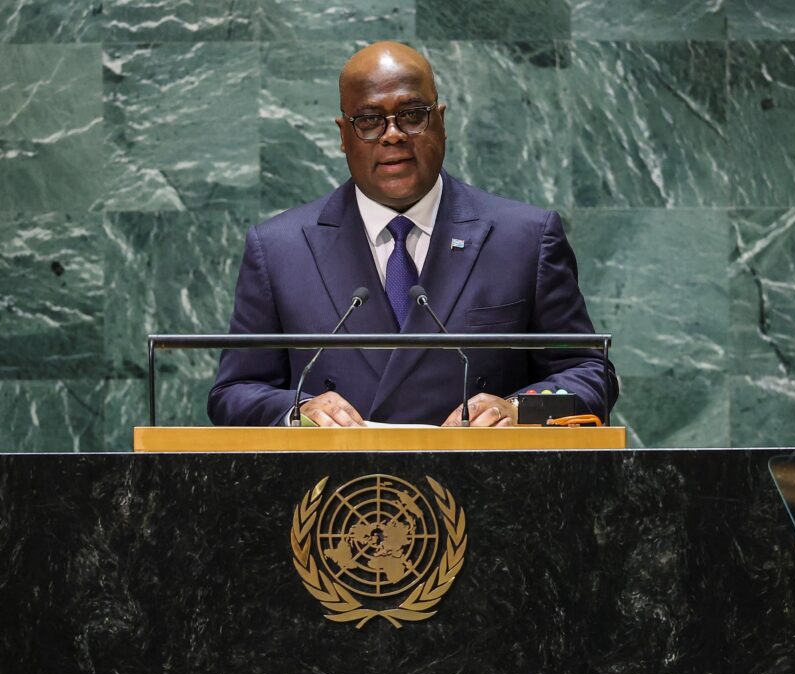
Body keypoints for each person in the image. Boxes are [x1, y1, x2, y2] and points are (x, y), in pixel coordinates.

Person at [208, 41, 617, 427]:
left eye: (411, 114)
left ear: (440, 121)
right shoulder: (280, 249)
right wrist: (299, 411)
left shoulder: (525, 238)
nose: (392, 135)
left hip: (488, 491)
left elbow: (591, 375)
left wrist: (518, 410)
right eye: (369, 120)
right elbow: (233, 392)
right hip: (337, 494)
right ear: (343, 136)